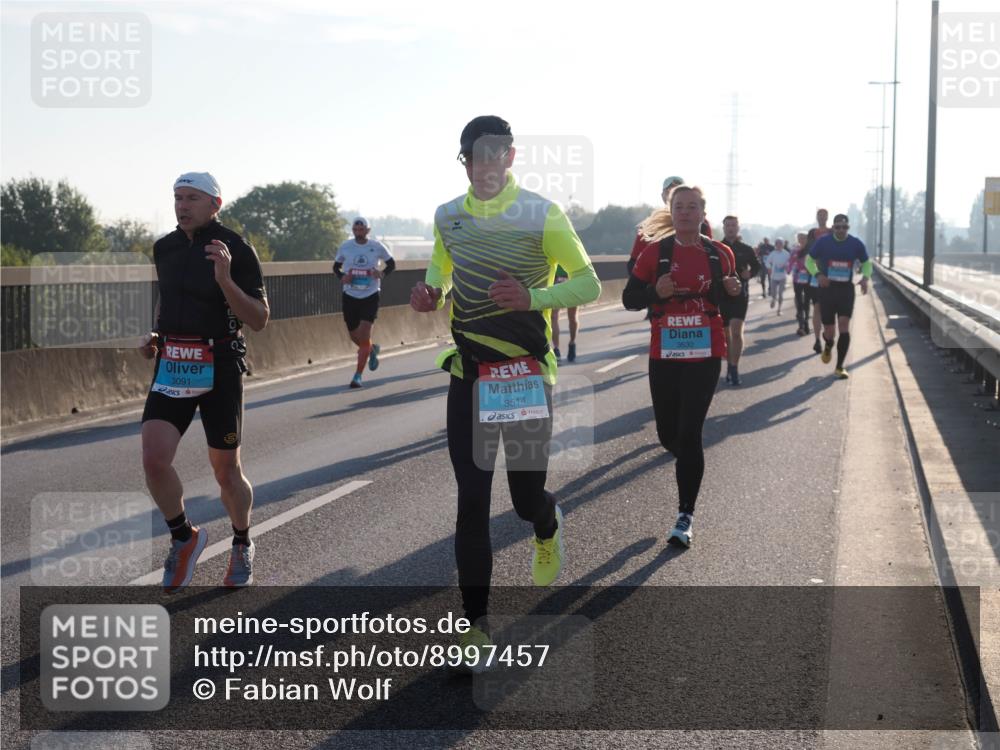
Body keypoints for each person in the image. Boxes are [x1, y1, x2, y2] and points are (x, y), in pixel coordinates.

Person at [410, 115, 601, 665]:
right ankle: (474, 630)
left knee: (522, 499)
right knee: (471, 501)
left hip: (523, 376)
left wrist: (534, 299)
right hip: (468, 374)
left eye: (496, 154)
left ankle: (546, 522)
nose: (486, 165)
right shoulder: (448, 217)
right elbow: (441, 277)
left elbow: (587, 281)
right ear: (465, 160)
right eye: (476, 155)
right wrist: (430, 294)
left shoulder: (542, 213)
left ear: (511, 157)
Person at [139, 172, 269, 592]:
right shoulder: (165, 247)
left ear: (215, 203)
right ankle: (183, 536)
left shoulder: (235, 249)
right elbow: (170, 299)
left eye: (192, 198)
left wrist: (226, 280)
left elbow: (259, 319)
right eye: (177, 197)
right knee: (154, 459)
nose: (182, 205)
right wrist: (157, 335)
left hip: (220, 365)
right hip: (174, 363)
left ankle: (242, 541)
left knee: (226, 470)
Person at [622, 186, 741, 548]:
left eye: (692, 207)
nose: (686, 212)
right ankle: (687, 461)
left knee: (690, 435)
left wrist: (735, 291)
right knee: (667, 435)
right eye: (679, 207)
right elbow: (629, 299)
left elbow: (727, 300)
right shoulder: (654, 254)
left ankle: (684, 516)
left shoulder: (720, 254)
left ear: (703, 212)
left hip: (705, 355)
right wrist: (654, 292)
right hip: (665, 355)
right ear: (671, 212)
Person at [805, 213, 872, 379]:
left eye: (844, 227)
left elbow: (866, 263)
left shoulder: (855, 243)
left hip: (845, 290)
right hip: (827, 289)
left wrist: (864, 278)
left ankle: (840, 366)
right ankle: (828, 344)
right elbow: (809, 261)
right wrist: (818, 275)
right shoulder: (823, 242)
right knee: (829, 330)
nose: (841, 230)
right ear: (833, 228)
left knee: (844, 325)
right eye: (838, 227)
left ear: (848, 228)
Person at [334, 217, 395, 388]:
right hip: (350, 295)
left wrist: (381, 274)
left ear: (368, 230)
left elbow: (391, 264)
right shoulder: (346, 246)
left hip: (370, 294)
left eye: (362, 229)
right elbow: (335, 267)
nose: (359, 232)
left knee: (365, 333)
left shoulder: (376, 246)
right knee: (355, 336)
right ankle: (372, 349)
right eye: (356, 229)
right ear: (353, 230)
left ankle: (357, 376)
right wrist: (342, 277)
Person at [718, 215, 761, 385]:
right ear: (724, 228)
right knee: (726, 335)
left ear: (738, 228)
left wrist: (749, 274)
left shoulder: (746, 249)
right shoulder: (717, 248)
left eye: (734, 225)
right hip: (722, 296)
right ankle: (729, 364)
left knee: (736, 332)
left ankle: (734, 368)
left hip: (740, 295)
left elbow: (757, 266)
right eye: (728, 225)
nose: (730, 228)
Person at [804, 209, 832, 353]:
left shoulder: (832, 231)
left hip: (832, 276)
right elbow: (808, 251)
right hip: (816, 274)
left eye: (824, 215)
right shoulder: (812, 233)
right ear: (816, 217)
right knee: (817, 307)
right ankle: (816, 340)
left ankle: (828, 333)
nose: (821, 217)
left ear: (827, 217)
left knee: (829, 310)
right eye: (819, 215)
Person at [550, 265, 580, 362]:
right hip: (556, 280)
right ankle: (556, 349)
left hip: (572, 280)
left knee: (572, 318)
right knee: (553, 317)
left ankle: (572, 343)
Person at [788, 232, 812, 335]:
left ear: (807, 239)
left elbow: (814, 262)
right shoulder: (794, 251)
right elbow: (790, 262)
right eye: (799, 238)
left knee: (807, 301)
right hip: (797, 279)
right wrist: (788, 269)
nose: (801, 239)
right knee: (799, 301)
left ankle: (806, 321)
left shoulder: (811, 250)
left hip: (808, 278)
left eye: (803, 238)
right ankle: (801, 325)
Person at [766, 238, 791, 315]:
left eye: (780, 244)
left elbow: (789, 263)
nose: (779, 245)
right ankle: (773, 299)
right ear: (775, 245)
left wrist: (786, 267)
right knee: (773, 293)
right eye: (777, 244)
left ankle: (779, 309)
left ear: (783, 245)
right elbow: (767, 262)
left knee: (780, 294)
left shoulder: (786, 254)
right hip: (773, 277)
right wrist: (769, 268)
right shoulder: (773, 253)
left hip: (782, 277)